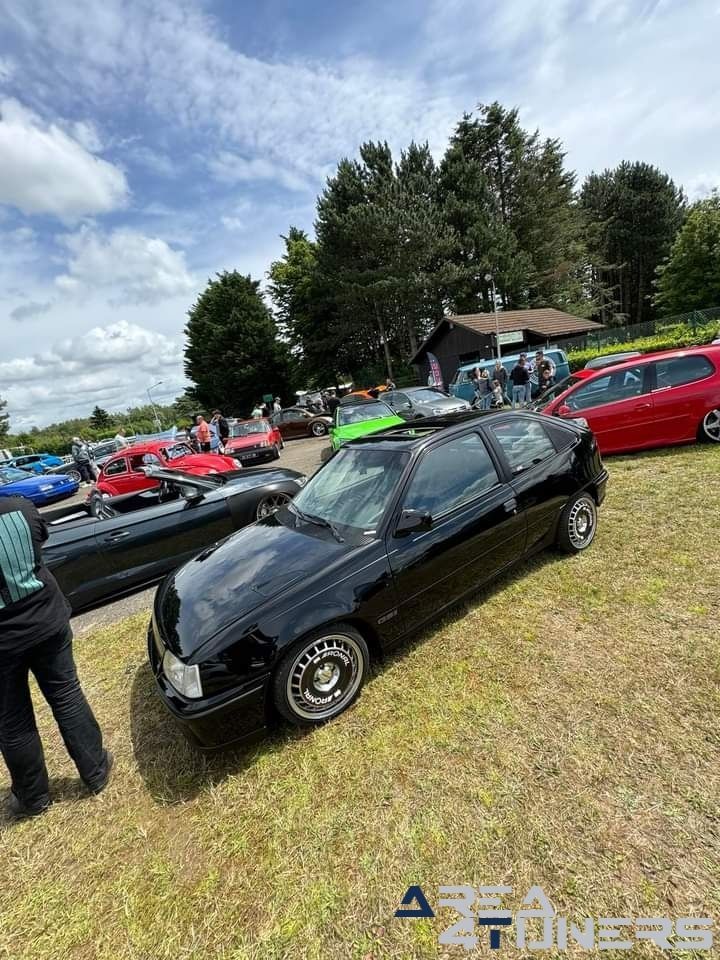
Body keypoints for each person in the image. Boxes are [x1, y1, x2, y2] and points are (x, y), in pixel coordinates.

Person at [0, 495, 112, 819]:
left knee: (13, 719)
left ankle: (33, 798)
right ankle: (96, 771)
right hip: (46, 620)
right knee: (67, 695)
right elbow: (40, 541)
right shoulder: (21, 508)